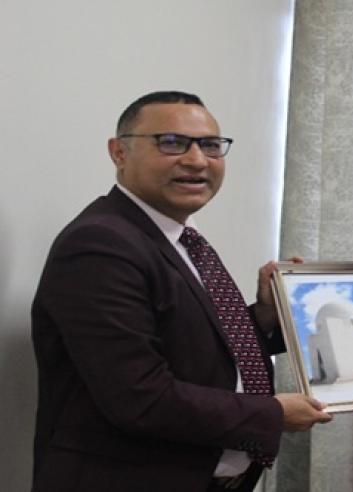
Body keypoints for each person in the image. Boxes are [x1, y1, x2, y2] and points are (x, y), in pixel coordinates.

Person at [31, 91, 332, 492]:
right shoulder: (100, 244)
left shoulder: (176, 238)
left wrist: (262, 317)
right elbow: (140, 398)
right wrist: (271, 414)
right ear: (119, 152)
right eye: (171, 143)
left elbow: (191, 349)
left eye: (210, 145)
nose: (196, 160)